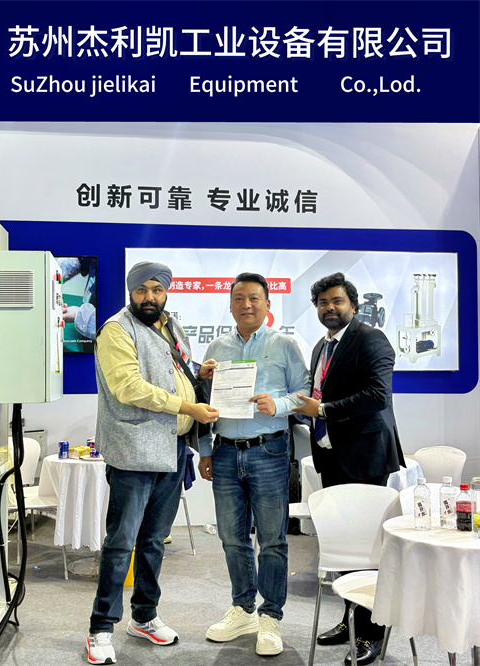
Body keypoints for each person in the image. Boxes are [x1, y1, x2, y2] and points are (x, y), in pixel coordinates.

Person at [86, 261, 219, 665]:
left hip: (172, 449)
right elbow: (129, 387)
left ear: (166, 292)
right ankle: (100, 628)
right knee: (120, 543)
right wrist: (188, 407)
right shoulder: (116, 330)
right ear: (131, 291)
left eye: (157, 290)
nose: (149, 297)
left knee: (154, 541)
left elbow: (172, 372)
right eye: (142, 290)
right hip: (134, 452)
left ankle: (144, 616)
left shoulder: (170, 325)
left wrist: (199, 374)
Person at [293, 271, 405, 666]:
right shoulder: (322, 346)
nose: (330, 308)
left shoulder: (371, 339)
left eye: (337, 301)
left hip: (366, 456)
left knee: (369, 550)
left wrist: (322, 409)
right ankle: (351, 619)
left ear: (353, 305)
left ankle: (372, 632)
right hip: (332, 456)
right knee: (343, 545)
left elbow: (377, 395)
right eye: (323, 303)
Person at [198, 272, 309, 657]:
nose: (246, 305)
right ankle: (243, 609)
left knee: (273, 539)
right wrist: (205, 449)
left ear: (267, 305)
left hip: (269, 451)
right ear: (230, 305)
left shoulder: (284, 345)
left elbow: (305, 393)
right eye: (239, 298)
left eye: (254, 298)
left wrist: (278, 405)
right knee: (232, 537)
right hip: (225, 451)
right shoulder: (217, 347)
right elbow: (203, 402)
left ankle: (271, 616)